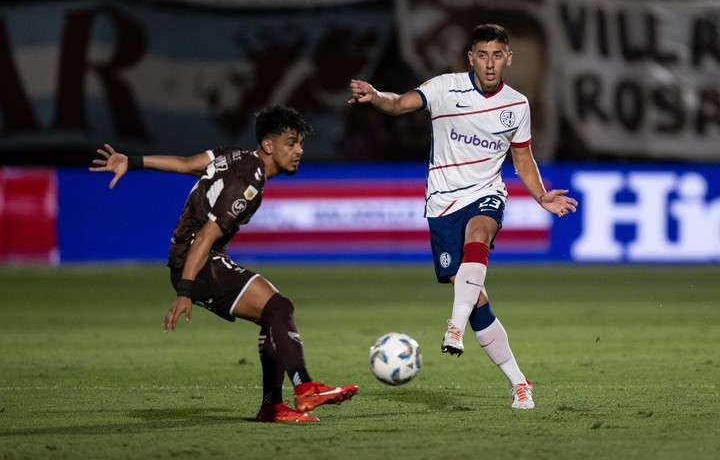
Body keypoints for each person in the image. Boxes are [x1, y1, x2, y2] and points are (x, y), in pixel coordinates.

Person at [348, 24, 578, 409]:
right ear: (471, 58)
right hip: (442, 204)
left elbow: (522, 159)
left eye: (497, 55)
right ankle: (520, 382)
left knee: (480, 234)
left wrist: (540, 195)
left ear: (508, 59)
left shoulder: (517, 105)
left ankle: (454, 327)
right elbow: (398, 103)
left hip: (486, 194)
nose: (490, 64)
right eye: (483, 55)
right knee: (478, 300)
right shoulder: (444, 87)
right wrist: (375, 97)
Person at [90, 105, 358, 422]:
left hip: (195, 257)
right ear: (268, 145)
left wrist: (132, 162)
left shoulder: (233, 155)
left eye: (300, 143)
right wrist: (185, 290)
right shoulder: (249, 180)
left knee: (274, 315)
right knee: (280, 308)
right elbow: (206, 235)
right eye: (291, 142)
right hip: (197, 261)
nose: (299, 150)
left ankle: (273, 407)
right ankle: (304, 386)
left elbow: (188, 164)